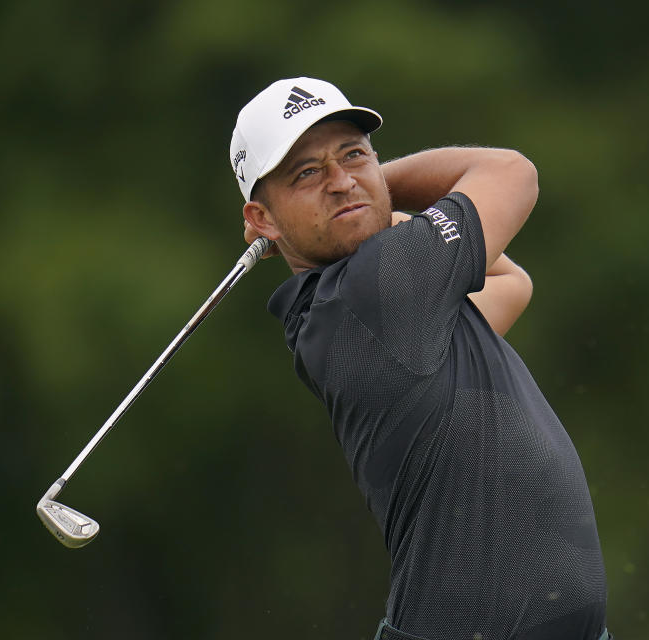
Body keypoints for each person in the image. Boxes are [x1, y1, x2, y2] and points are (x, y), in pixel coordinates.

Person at [230, 77, 611, 640]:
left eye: (354, 154)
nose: (340, 182)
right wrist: (374, 187)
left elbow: (508, 281)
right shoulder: (378, 289)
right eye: (306, 173)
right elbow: (512, 174)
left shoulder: (353, 308)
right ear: (261, 219)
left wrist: (365, 199)